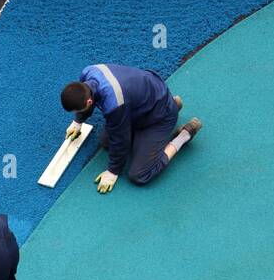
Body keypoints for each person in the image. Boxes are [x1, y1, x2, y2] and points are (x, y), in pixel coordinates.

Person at [60, 64, 201, 193]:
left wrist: (113, 171)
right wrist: (78, 122)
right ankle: (172, 104)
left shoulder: (114, 103)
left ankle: (184, 134)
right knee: (105, 141)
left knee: (139, 175)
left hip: (159, 119)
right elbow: (84, 100)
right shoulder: (88, 72)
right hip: (147, 98)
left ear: (89, 102)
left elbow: (120, 141)